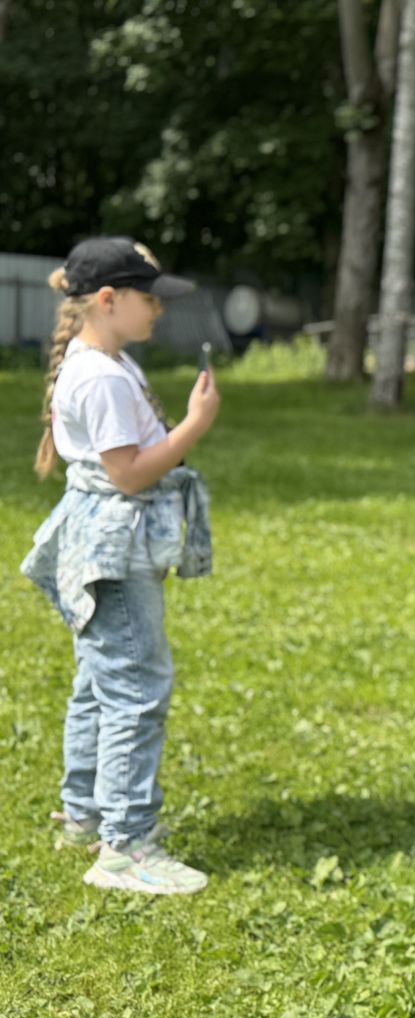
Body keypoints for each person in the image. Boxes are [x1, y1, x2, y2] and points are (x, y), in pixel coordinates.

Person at [22, 236, 220, 895]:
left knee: (98, 681)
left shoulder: (103, 359)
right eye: (148, 299)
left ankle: (84, 811)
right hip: (115, 549)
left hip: (107, 540)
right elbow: (129, 474)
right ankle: (126, 847)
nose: (158, 311)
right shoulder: (102, 376)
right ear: (107, 301)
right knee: (135, 687)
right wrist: (195, 425)